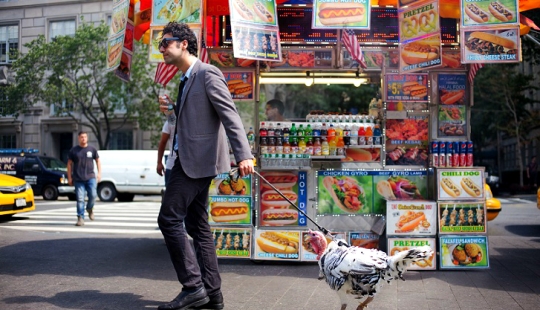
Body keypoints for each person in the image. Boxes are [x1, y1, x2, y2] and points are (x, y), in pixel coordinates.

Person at [156, 22, 254, 310]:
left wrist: (244, 154)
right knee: (197, 226)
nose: (162, 49)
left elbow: (230, 115)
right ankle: (213, 295)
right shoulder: (185, 79)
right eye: (160, 45)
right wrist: (171, 112)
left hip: (195, 163)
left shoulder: (208, 73)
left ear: (184, 43)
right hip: (188, 160)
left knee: (169, 220)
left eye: (165, 43)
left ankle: (193, 287)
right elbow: (189, 125)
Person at [67, 131, 101, 227]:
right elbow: (69, 164)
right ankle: (80, 218)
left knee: (93, 195)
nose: (83, 138)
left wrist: (99, 174)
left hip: (90, 177)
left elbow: (98, 161)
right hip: (78, 178)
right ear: (78, 138)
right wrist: (69, 177)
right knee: (80, 199)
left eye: (85, 137)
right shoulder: (74, 150)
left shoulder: (92, 149)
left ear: (87, 138)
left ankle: (90, 208)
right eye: (81, 137)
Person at [157, 118, 177, 187]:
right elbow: (162, 142)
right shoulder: (171, 122)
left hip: (190, 167)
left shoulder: (193, 121)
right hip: (172, 165)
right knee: (171, 195)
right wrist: (159, 162)